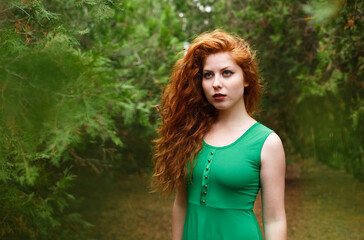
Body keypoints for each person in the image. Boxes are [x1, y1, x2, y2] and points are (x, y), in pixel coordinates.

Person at [152, 29, 286, 240]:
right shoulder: (189, 134)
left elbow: (275, 219)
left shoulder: (267, 142)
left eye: (227, 73)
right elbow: (180, 204)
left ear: (246, 78)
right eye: (208, 75)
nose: (216, 83)